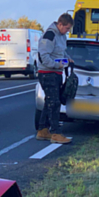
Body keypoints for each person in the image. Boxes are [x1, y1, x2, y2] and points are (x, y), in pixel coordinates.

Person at [36, 13, 74, 144]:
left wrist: (67, 58)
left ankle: (43, 130)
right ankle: (56, 133)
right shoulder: (50, 35)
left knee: (49, 101)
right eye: (67, 28)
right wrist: (56, 65)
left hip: (56, 73)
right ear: (60, 24)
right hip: (47, 73)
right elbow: (44, 56)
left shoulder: (61, 36)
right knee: (54, 103)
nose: (67, 31)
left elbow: (60, 51)